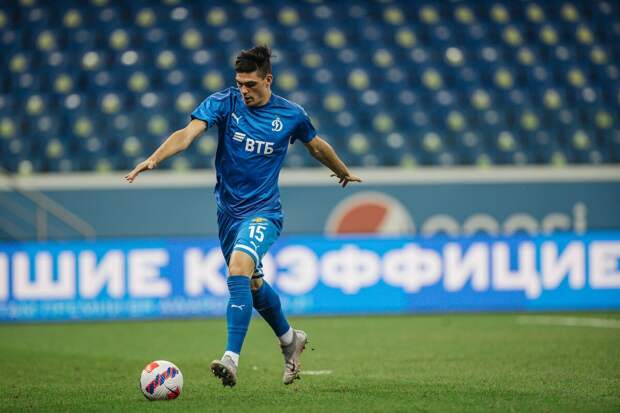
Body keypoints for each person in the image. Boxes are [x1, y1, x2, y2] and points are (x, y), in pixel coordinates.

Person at [125, 45, 361, 387]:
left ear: (268, 80)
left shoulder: (291, 114)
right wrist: (154, 158)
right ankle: (290, 339)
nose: (244, 90)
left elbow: (316, 145)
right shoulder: (224, 103)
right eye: (239, 83)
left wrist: (342, 171)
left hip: (264, 212)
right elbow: (187, 134)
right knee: (252, 284)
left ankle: (230, 359)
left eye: (250, 84)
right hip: (228, 215)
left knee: (238, 268)